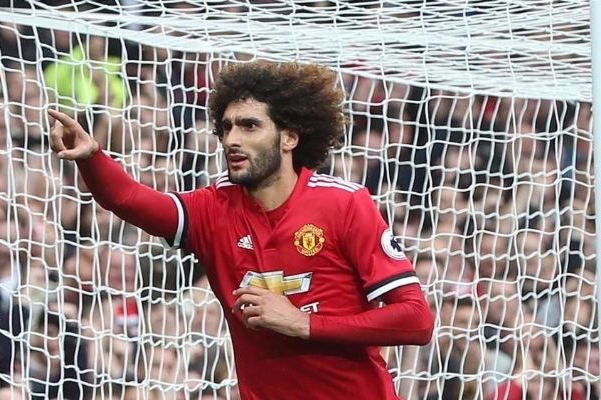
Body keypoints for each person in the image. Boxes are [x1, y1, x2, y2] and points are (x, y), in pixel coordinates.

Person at [48, 61, 434, 400]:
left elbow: (416, 320)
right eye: (227, 126)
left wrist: (303, 323)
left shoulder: (346, 204)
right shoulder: (211, 208)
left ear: (289, 137)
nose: (232, 139)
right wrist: (92, 157)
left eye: (250, 125)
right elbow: (129, 198)